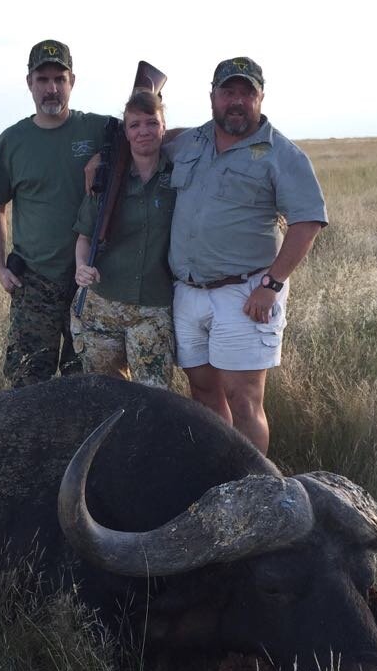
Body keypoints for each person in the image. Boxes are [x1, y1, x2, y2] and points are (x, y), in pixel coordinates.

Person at [167, 56, 327, 453]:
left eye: (246, 93)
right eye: (228, 92)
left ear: (260, 98)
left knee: (244, 400)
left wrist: (271, 285)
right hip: (187, 292)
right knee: (203, 393)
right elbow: (144, 143)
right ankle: (217, 477)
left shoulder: (281, 154)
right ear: (212, 97)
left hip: (245, 294)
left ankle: (252, 492)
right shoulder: (190, 141)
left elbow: (306, 222)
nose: (236, 101)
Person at [0, 40, 115, 387]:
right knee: (27, 384)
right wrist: (0, 268)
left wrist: (107, 156)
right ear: (29, 82)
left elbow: (150, 131)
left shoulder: (100, 130)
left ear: (73, 80)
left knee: (87, 384)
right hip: (33, 283)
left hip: (89, 282)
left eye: (60, 78)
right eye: (43, 79)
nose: (51, 88)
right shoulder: (12, 141)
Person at [70, 90, 176, 389]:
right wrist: (81, 266)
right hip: (102, 306)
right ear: (125, 133)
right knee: (106, 398)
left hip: (154, 309)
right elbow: (84, 236)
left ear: (163, 128)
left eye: (151, 123)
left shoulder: (180, 175)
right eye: (134, 125)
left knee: (154, 401)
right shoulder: (105, 178)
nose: (144, 131)